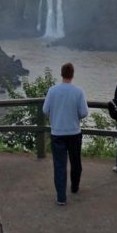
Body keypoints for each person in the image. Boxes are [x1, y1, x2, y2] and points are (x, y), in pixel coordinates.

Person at [42, 62, 88, 206]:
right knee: (76, 163)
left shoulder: (52, 90)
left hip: (57, 133)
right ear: (72, 75)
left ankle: (61, 197)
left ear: (61, 74)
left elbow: (45, 110)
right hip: (74, 132)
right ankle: (74, 187)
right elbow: (84, 112)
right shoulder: (78, 91)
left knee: (60, 165)